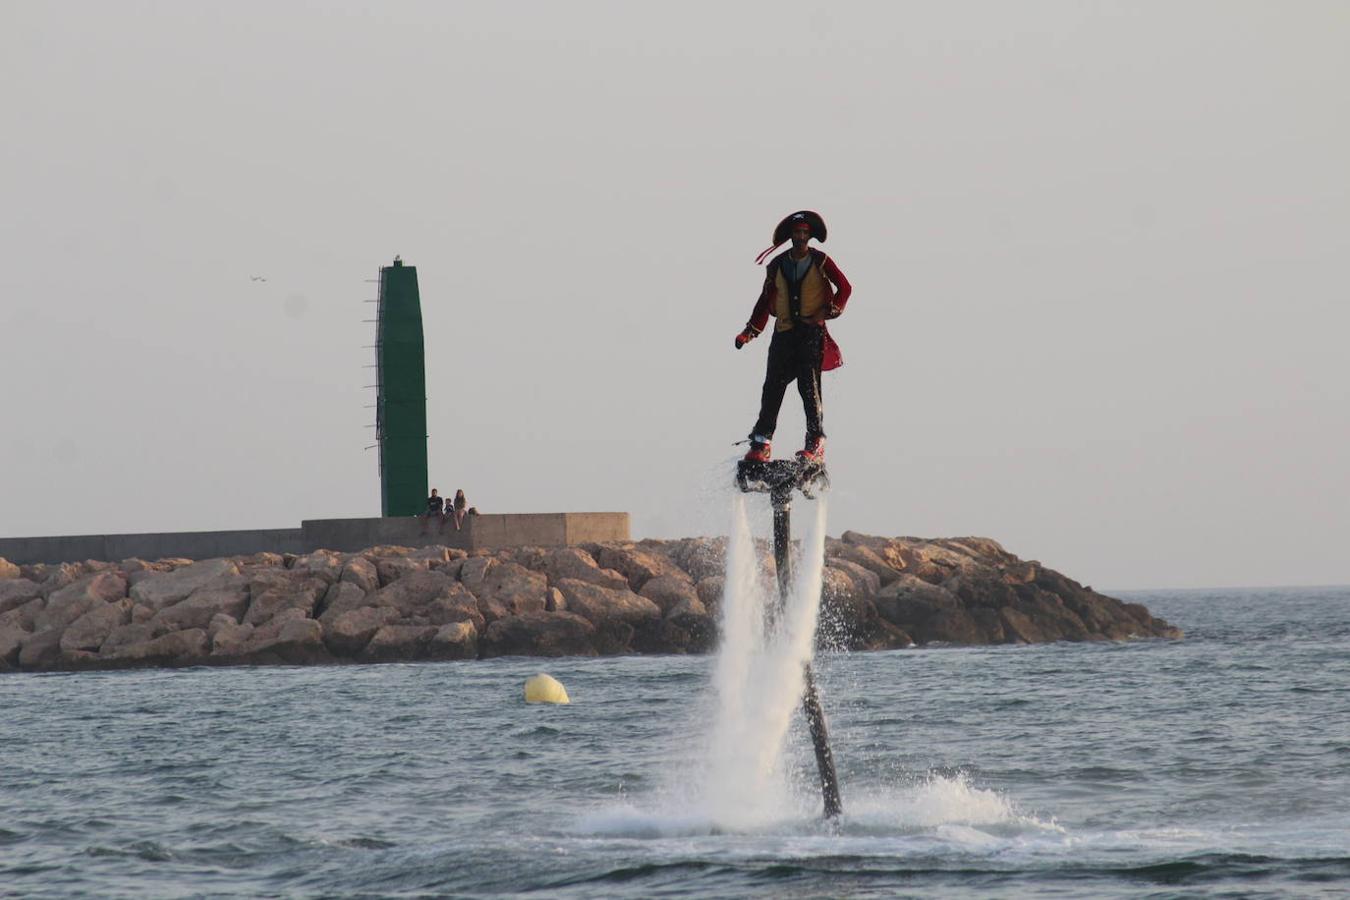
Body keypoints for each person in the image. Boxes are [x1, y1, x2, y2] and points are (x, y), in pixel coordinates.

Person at [734, 210, 852, 464]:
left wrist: (827, 312)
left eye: (804, 234)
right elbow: (766, 301)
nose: (800, 238)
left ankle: (815, 441)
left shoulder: (821, 261)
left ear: (810, 237)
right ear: (790, 236)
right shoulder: (777, 265)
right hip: (784, 333)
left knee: (808, 387)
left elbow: (845, 288)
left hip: (810, 334)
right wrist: (749, 332)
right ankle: (761, 442)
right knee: (772, 387)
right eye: (796, 233)